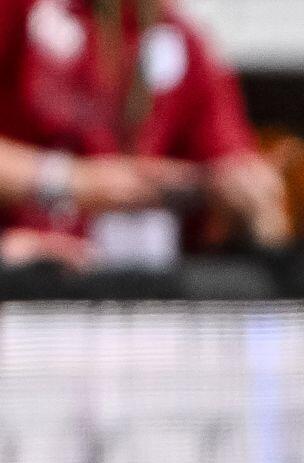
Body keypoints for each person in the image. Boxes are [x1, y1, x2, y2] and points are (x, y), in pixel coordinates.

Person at [0, 0, 286, 270]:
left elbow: (232, 169)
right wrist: (75, 182)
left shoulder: (181, 37)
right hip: (27, 271)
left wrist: (248, 197)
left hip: (139, 281)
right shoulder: (24, 11)